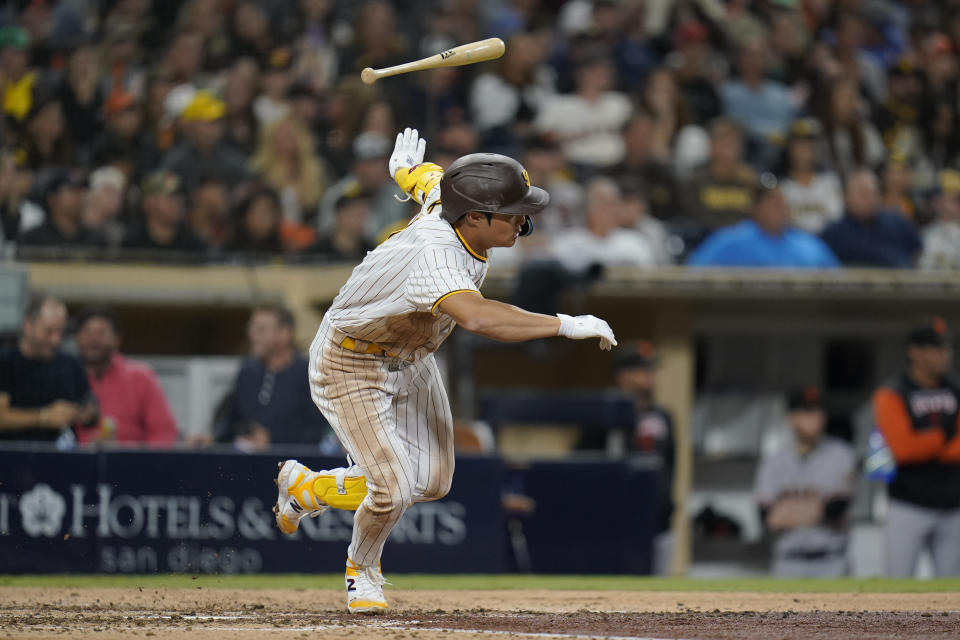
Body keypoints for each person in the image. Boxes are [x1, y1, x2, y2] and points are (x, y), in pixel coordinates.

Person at [273, 128, 616, 613]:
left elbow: (428, 179)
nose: (524, 219)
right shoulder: (436, 255)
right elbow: (479, 318)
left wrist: (403, 171)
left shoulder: (451, 202)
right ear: (475, 216)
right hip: (351, 360)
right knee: (391, 489)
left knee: (432, 482)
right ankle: (362, 571)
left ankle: (309, 488)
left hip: (411, 356)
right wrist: (563, 323)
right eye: (515, 212)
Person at [872, 319, 960, 577]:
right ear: (915, 352)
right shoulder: (892, 392)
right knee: (897, 585)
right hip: (907, 504)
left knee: (953, 590)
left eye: (946, 348)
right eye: (936, 349)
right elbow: (902, 449)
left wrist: (926, 442)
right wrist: (943, 438)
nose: (945, 355)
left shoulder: (956, 389)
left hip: (953, 504)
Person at [755, 386, 856, 577]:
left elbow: (835, 510)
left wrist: (788, 511)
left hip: (831, 562)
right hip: (787, 563)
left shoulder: (842, 454)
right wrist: (814, 509)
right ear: (791, 417)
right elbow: (767, 519)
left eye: (819, 411)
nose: (816, 418)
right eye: (808, 412)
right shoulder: (773, 461)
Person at [214, 304, 332, 448]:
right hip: (246, 465)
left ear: (285, 333)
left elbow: (320, 431)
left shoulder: (309, 375)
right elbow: (229, 421)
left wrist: (273, 439)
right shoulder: (247, 373)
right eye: (251, 328)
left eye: (261, 329)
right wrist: (212, 440)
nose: (252, 334)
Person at [73, 307, 178, 446]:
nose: (94, 340)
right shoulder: (66, 379)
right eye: (88, 333)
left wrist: (137, 460)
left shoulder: (141, 377)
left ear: (117, 339)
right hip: (75, 464)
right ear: (77, 338)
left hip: (134, 464)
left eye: (101, 333)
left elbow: (163, 432)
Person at [0, 296, 98, 444]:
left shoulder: (70, 364)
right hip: (14, 457)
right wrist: (44, 417)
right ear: (28, 325)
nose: (55, 340)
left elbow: (89, 402)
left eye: (60, 332)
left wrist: (86, 412)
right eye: (48, 331)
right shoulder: (6, 362)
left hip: (62, 457)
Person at [687, 175, 839, 268]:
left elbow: (839, 281)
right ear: (755, 208)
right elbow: (694, 271)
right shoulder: (731, 241)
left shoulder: (808, 245)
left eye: (782, 202)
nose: (780, 207)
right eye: (772, 202)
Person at [820, 169, 921, 268]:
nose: (870, 199)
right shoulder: (833, 234)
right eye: (863, 194)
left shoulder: (898, 223)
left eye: (874, 193)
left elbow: (916, 254)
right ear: (846, 197)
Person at [122, 170, 207, 253]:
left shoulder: (193, 246)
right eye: (170, 197)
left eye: (179, 197)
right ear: (148, 202)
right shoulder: (131, 244)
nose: (177, 202)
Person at [18, 171, 106, 248]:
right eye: (72, 191)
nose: (79, 196)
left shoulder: (97, 240)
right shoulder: (32, 240)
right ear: (52, 199)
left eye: (82, 191)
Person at [919, 170, 960, 270]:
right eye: (942, 199)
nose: (946, 206)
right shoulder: (926, 234)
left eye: (953, 200)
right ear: (934, 203)